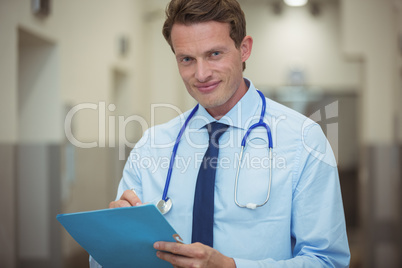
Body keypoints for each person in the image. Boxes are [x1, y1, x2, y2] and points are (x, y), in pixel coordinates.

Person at [91, 0, 350, 267]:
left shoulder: (303, 141)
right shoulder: (153, 145)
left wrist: (232, 267)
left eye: (215, 54)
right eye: (187, 59)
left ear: (244, 49)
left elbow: (327, 261)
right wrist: (115, 237)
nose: (201, 74)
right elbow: (107, 261)